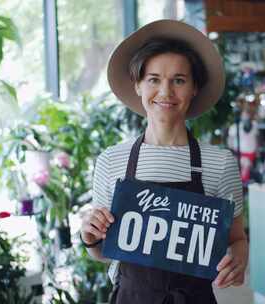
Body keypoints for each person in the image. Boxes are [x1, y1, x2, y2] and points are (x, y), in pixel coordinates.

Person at [80, 19, 248, 304]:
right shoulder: (111, 161)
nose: (166, 92)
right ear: (138, 85)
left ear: (194, 88)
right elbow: (104, 251)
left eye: (179, 80)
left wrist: (239, 259)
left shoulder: (219, 163)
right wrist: (89, 235)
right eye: (154, 79)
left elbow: (237, 239)